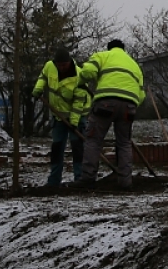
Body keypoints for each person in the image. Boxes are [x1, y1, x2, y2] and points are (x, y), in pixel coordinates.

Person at [71, 40, 145, 191]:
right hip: (129, 106)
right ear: (123, 50)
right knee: (124, 143)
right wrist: (131, 103)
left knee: (93, 140)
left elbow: (88, 72)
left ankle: (88, 179)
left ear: (109, 48)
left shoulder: (102, 56)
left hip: (105, 103)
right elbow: (142, 94)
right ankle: (125, 182)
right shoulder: (134, 65)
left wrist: (81, 81)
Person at [32, 48, 91, 187]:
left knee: (77, 147)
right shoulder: (49, 66)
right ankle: (54, 180)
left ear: (69, 62)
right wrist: (38, 89)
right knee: (57, 147)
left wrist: (74, 122)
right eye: (59, 65)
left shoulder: (79, 76)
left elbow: (78, 102)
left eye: (64, 65)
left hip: (77, 114)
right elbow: (43, 77)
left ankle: (79, 178)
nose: (61, 67)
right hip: (58, 116)